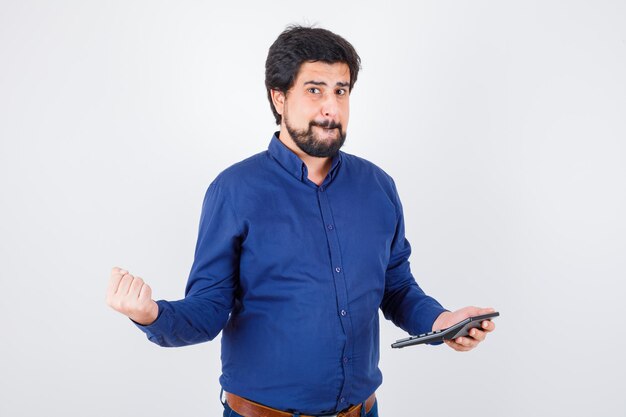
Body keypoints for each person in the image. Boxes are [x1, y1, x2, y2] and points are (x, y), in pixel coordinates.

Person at [105, 25, 496, 417]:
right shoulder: (234, 191)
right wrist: (151, 315)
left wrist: (442, 321)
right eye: (314, 90)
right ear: (279, 97)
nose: (331, 107)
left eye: (340, 91)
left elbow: (396, 287)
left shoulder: (378, 187)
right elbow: (208, 309)